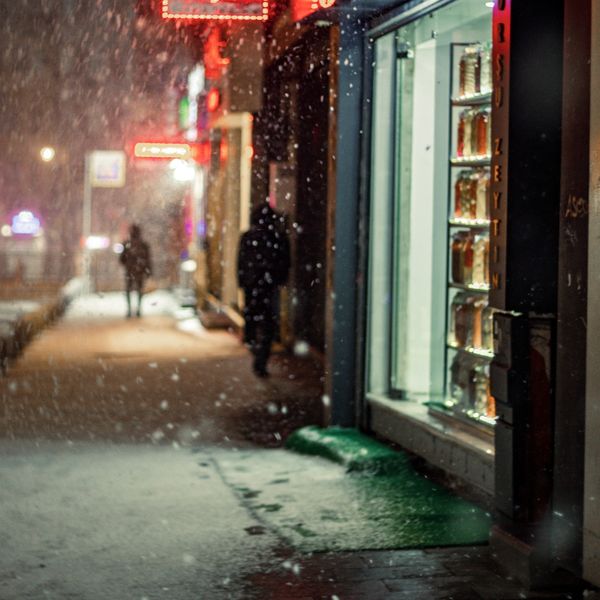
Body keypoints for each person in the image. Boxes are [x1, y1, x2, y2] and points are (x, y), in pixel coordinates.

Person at [237, 203, 290, 377]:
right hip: (268, 286)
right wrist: (280, 279)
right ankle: (261, 357)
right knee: (268, 325)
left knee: (252, 321)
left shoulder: (249, 237)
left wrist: (243, 281)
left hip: (253, 286)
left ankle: (256, 352)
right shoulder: (277, 237)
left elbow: (241, 262)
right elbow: (284, 261)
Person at [119, 224, 152, 318]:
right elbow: (148, 259)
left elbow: (121, 259)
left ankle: (130, 310)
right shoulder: (144, 245)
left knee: (129, 290)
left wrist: (128, 264)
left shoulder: (127, 244)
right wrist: (148, 271)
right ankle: (138, 309)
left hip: (130, 271)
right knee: (139, 290)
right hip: (140, 271)